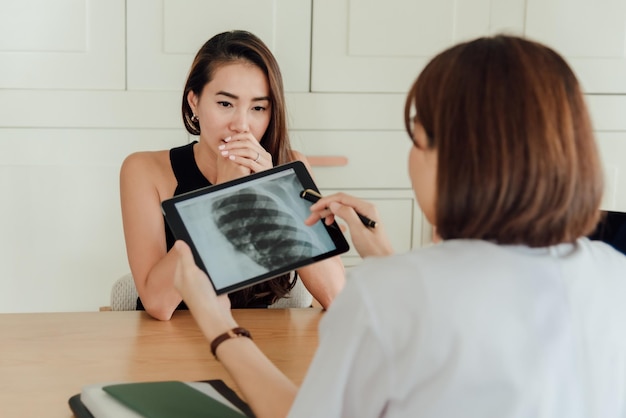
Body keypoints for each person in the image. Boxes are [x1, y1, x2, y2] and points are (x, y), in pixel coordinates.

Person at [172, 34, 626, 418]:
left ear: (458, 160)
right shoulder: (612, 272)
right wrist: (385, 260)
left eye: (419, 137)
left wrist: (219, 324)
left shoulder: (385, 295)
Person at [120, 30, 345, 321]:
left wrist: (276, 190)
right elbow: (158, 304)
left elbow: (335, 294)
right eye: (225, 104)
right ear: (194, 101)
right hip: (170, 343)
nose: (242, 125)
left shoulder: (289, 166)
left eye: (258, 108)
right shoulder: (144, 170)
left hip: (257, 344)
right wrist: (224, 195)